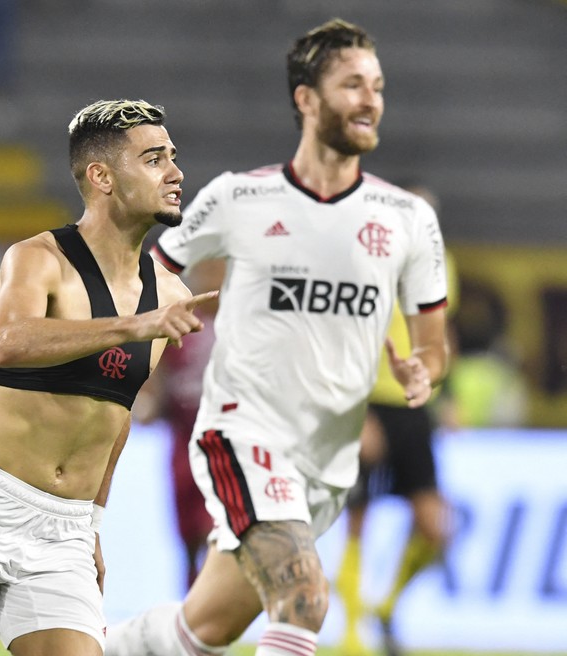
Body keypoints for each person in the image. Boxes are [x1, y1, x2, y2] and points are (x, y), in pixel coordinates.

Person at [105, 19, 450, 656]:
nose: (371, 98)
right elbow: (151, 279)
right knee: (304, 598)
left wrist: (423, 368)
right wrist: (129, 358)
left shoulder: (408, 220)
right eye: (352, 84)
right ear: (307, 100)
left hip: (327, 462)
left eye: (377, 85)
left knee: (204, 625)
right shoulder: (240, 198)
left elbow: (433, 338)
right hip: (243, 434)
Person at [0, 99, 217, 656]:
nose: (176, 173)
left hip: (63, 531)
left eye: (173, 158)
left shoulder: (170, 296)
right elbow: (8, 343)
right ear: (102, 176)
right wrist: (131, 326)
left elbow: (116, 417)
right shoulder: (39, 259)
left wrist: (93, 522)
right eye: (154, 159)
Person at [335, 184, 459, 656]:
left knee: (434, 526)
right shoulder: (365, 264)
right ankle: (350, 638)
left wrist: (449, 391)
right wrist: (354, 409)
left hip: (416, 405)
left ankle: (385, 607)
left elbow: (442, 333)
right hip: (369, 404)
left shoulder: (443, 264)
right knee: (357, 520)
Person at [134, 259, 224, 589]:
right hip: (183, 437)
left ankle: (212, 597)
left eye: (216, 272)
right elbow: (157, 373)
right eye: (205, 273)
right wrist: (147, 403)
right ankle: (190, 590)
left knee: (215, 523)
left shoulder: (242, 325)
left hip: (226, 440)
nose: (210, 281)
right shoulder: (181, 323)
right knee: (187, 528)